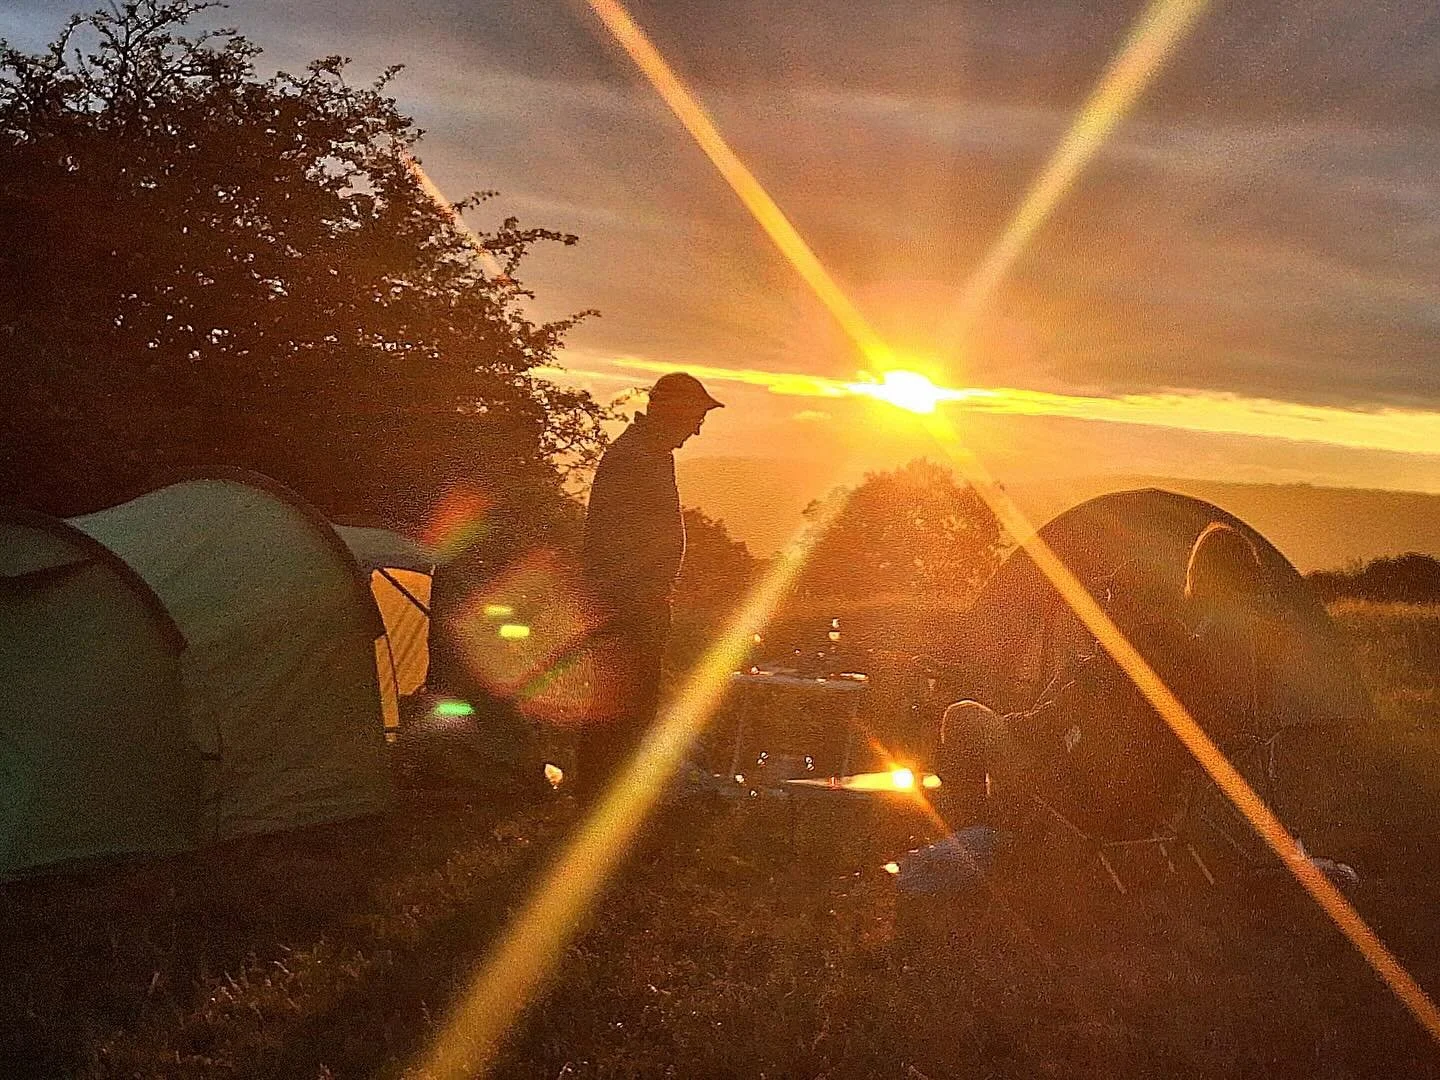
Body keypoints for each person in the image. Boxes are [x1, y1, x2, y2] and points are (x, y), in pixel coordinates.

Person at [576, 371, 724, 803]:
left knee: (628, 706)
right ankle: (602, 802)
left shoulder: (649, 454)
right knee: (621, 706)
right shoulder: (635, 457)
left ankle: (606, 798)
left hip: (636, 602)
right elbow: (615, 539)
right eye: (695, 416)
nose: (697, 429)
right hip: (627, 605)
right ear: (673, 412)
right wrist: (636, 601)